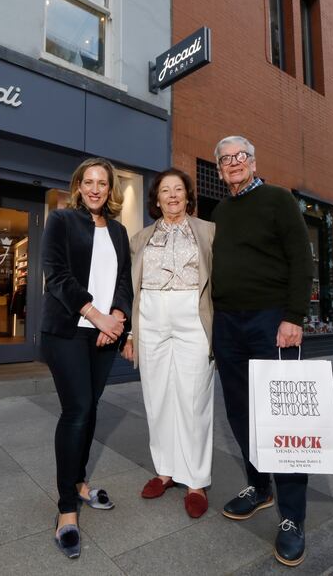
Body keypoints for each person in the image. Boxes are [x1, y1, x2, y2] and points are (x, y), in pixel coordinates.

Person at [211, 136, 314, 567]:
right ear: (219, 170)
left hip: (271, 322)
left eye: (240, 157)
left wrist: (294, 316)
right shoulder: (220, 211)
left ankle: (292, 518)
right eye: (226, 159)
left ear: (253, 162)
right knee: (239, 410)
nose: (234, 164)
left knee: (282, 414)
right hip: (228, 323)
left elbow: (301, 259)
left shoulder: (278, 199)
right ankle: (260, 485)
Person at [41, 157, 133, 559]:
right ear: (78, 185)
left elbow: (125, 281)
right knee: (76, 409)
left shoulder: (118, 230)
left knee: (91, 408)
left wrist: (117, 317)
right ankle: (65, 508)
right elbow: (56, 274)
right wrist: (96, 316)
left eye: (103, 183)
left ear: (110, 189)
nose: (95, 189)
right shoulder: (60, 221)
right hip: (67, 330)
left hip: (105, 334)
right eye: (89, 182)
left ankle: (80, 483)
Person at [121, 168, 215, 518]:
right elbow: (133, 287)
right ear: (156, 198)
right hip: (151, 316)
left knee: (195, 399)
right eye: (165, 190)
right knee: (157, 396)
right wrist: (131, 331)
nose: (172, 195)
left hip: (193, 313)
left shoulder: (208, 231)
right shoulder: (140, 238)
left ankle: (195, 480)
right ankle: (165, 471)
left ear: (188, 196)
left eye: (179, 189)